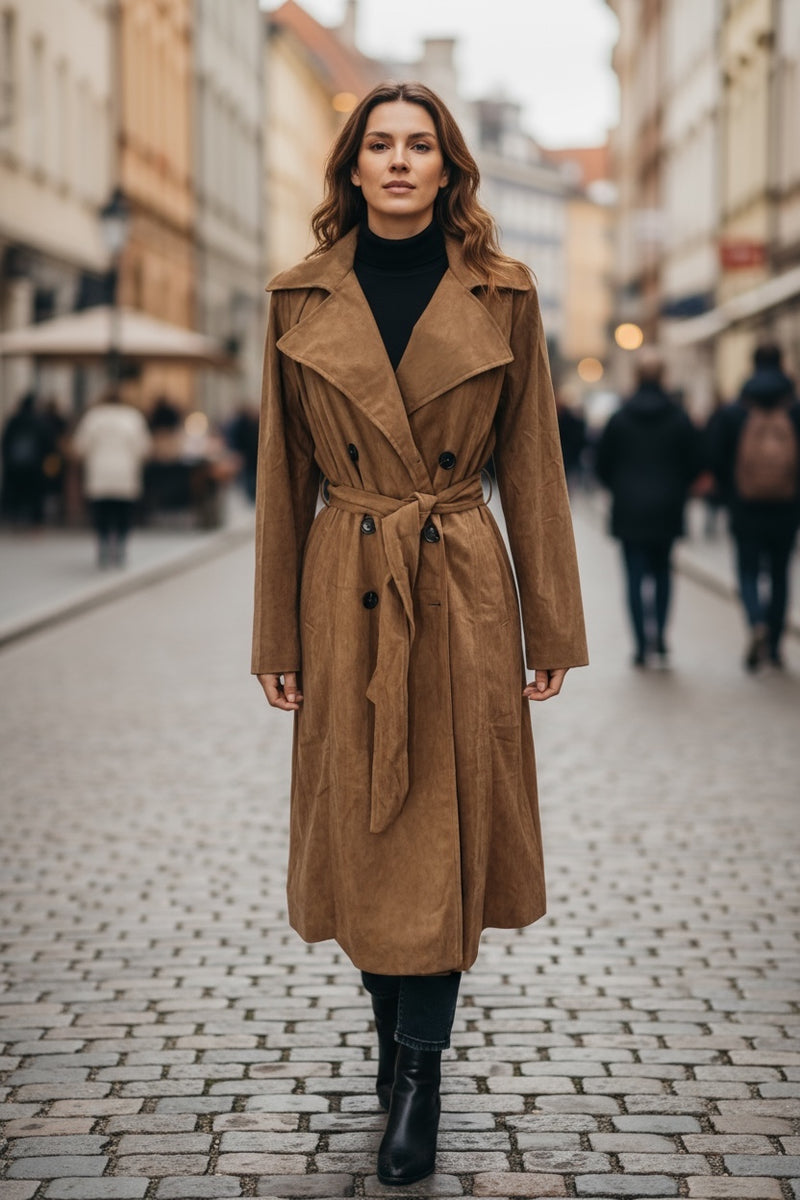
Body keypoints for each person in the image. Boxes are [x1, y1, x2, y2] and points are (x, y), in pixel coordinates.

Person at [252, 82, 588, 1186]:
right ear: (351, 165)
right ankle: (392, 1049)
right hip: (342, 577)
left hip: (459, 583)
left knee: (440, 825)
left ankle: (420, 1075)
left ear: (448, 169)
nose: (399, 162)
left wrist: (552, 623)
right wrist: (275, 639)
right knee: (361, 827)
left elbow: (532, 463)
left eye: (421, 146)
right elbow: (278, 479)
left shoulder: (503, 290)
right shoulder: (297, 296)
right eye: (380, 145)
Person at [595, 351, 702, 667]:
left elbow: (602, 465)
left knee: (633, 577)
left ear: (636, 377)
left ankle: (641, 644)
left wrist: (621, 488)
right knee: (663, 574)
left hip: (629, 509)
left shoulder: (619, 417)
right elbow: (695, 462)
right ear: (664, 377)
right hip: (668, 508)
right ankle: (662, 639)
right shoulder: (679, 417)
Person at [708, 344, 800, 670]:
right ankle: (775, 648)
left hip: (744, 507)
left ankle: (756, 622)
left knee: (747, 571)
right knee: (779, 574)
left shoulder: (736, 410)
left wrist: (728, 494)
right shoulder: (794, 409)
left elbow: (715, 457)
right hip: (787, 508)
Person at [72, 389, 151, 567]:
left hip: (99, 472)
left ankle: (103, 545)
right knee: (123, 512)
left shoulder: (93, 417)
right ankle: (121, 546)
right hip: (125, 473)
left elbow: (80, 446)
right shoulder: (133, 417)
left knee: (102, 512)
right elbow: (143, 447)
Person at [1, 392, 48, 527]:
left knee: (16, 493)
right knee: (35, 494)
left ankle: (15, 519)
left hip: (15, 464)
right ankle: (35, 523)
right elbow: (46, 441)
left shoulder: (14, 420)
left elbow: (5, 441)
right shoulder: (39, 420)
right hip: (35, 465)